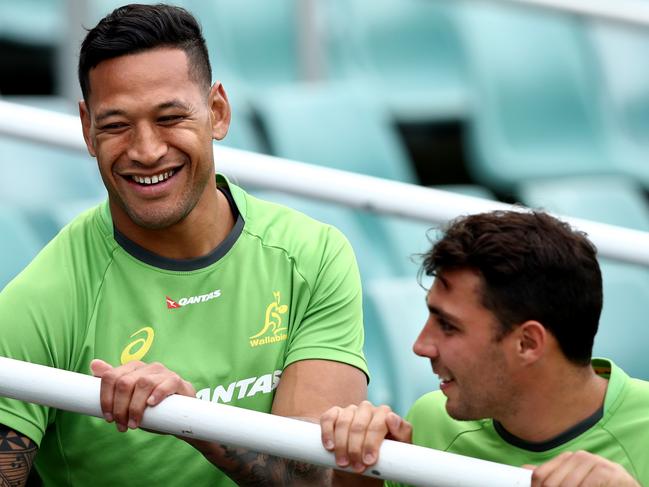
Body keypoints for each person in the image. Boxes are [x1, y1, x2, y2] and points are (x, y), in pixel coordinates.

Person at [0, 4, 369, 486]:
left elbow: (312, 481)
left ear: (217, 111)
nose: (146, 149)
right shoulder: (40, 300)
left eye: (170, 117)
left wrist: (192, 420)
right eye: (116, 125)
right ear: (87, 128)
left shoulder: (314, 255)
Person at [320, 210, 649, 487]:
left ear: (528, 343)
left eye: (448, 326)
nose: (421, 346)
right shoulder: (429, 420)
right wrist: (360, 473)